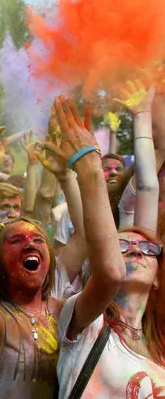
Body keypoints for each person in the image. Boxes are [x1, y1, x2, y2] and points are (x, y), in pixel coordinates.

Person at [0, 96, 126, 398]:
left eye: (37, 239)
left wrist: (71, 174)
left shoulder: (66, 312)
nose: (30, 244)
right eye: (16, 240)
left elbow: (99, 256)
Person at [57, 83, 165, 398]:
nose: (135, 248)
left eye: (148, 248)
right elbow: (111, 273)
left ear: (159, 276)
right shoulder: (85, 324)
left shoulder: (158, 343)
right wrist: (89, 166)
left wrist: (142, 114)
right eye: (121, 246)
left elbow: (148, 188)